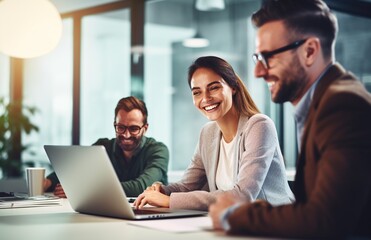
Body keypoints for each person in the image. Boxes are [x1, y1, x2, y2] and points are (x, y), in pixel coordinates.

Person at [209, 0, 371, 238]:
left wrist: (234, 214)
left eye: (268, 57)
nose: (258, 72)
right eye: (257, 58)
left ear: (310, 51)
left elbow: (326, 220)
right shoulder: (322, 102)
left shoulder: (343, 106)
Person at [133, 56, 294, 211]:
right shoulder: (208, 133)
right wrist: (162, 191)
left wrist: (169, 201)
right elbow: (188, 185)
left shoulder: (259, 126)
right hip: (233, 222)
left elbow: (243, 196)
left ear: (233, 87)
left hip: (275, 224)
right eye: (197, 92)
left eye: (214, 88)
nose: (206, 98)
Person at [44, 96, 169, 197]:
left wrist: (84, 190)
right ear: (115, 125)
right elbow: (73, 169)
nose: (126, 135)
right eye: (121, 127)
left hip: (148, 216)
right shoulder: (103, 147)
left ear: (145, 128)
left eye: (134, 128)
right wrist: (47, 182)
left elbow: (142, 186)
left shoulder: (158, 150)